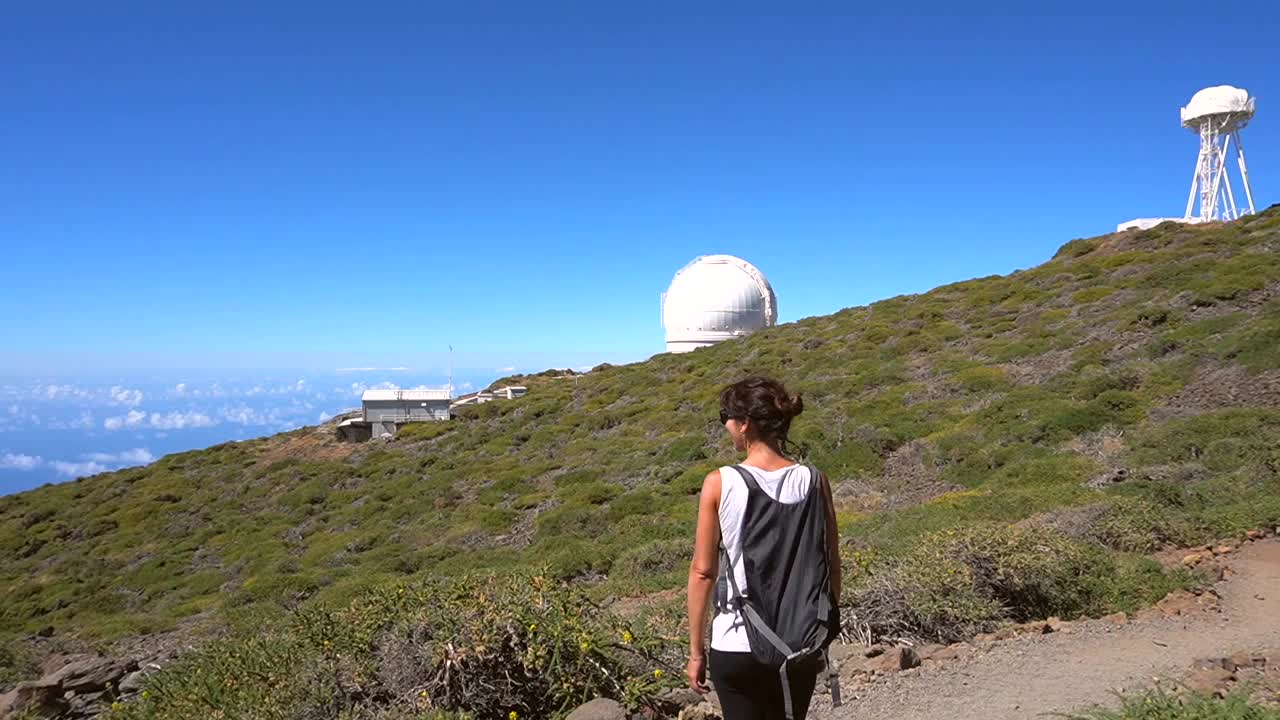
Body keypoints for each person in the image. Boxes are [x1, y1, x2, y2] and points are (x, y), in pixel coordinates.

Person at [686, 376, 842, 720]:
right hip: (799, 641)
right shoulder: (815, 480)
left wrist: (696, 652)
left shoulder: (720, 482)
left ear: (744, 424)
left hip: (737, 644)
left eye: (725, 416)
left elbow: (703, 572)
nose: (725, 424)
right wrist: (822, 631)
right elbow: (830, 563)